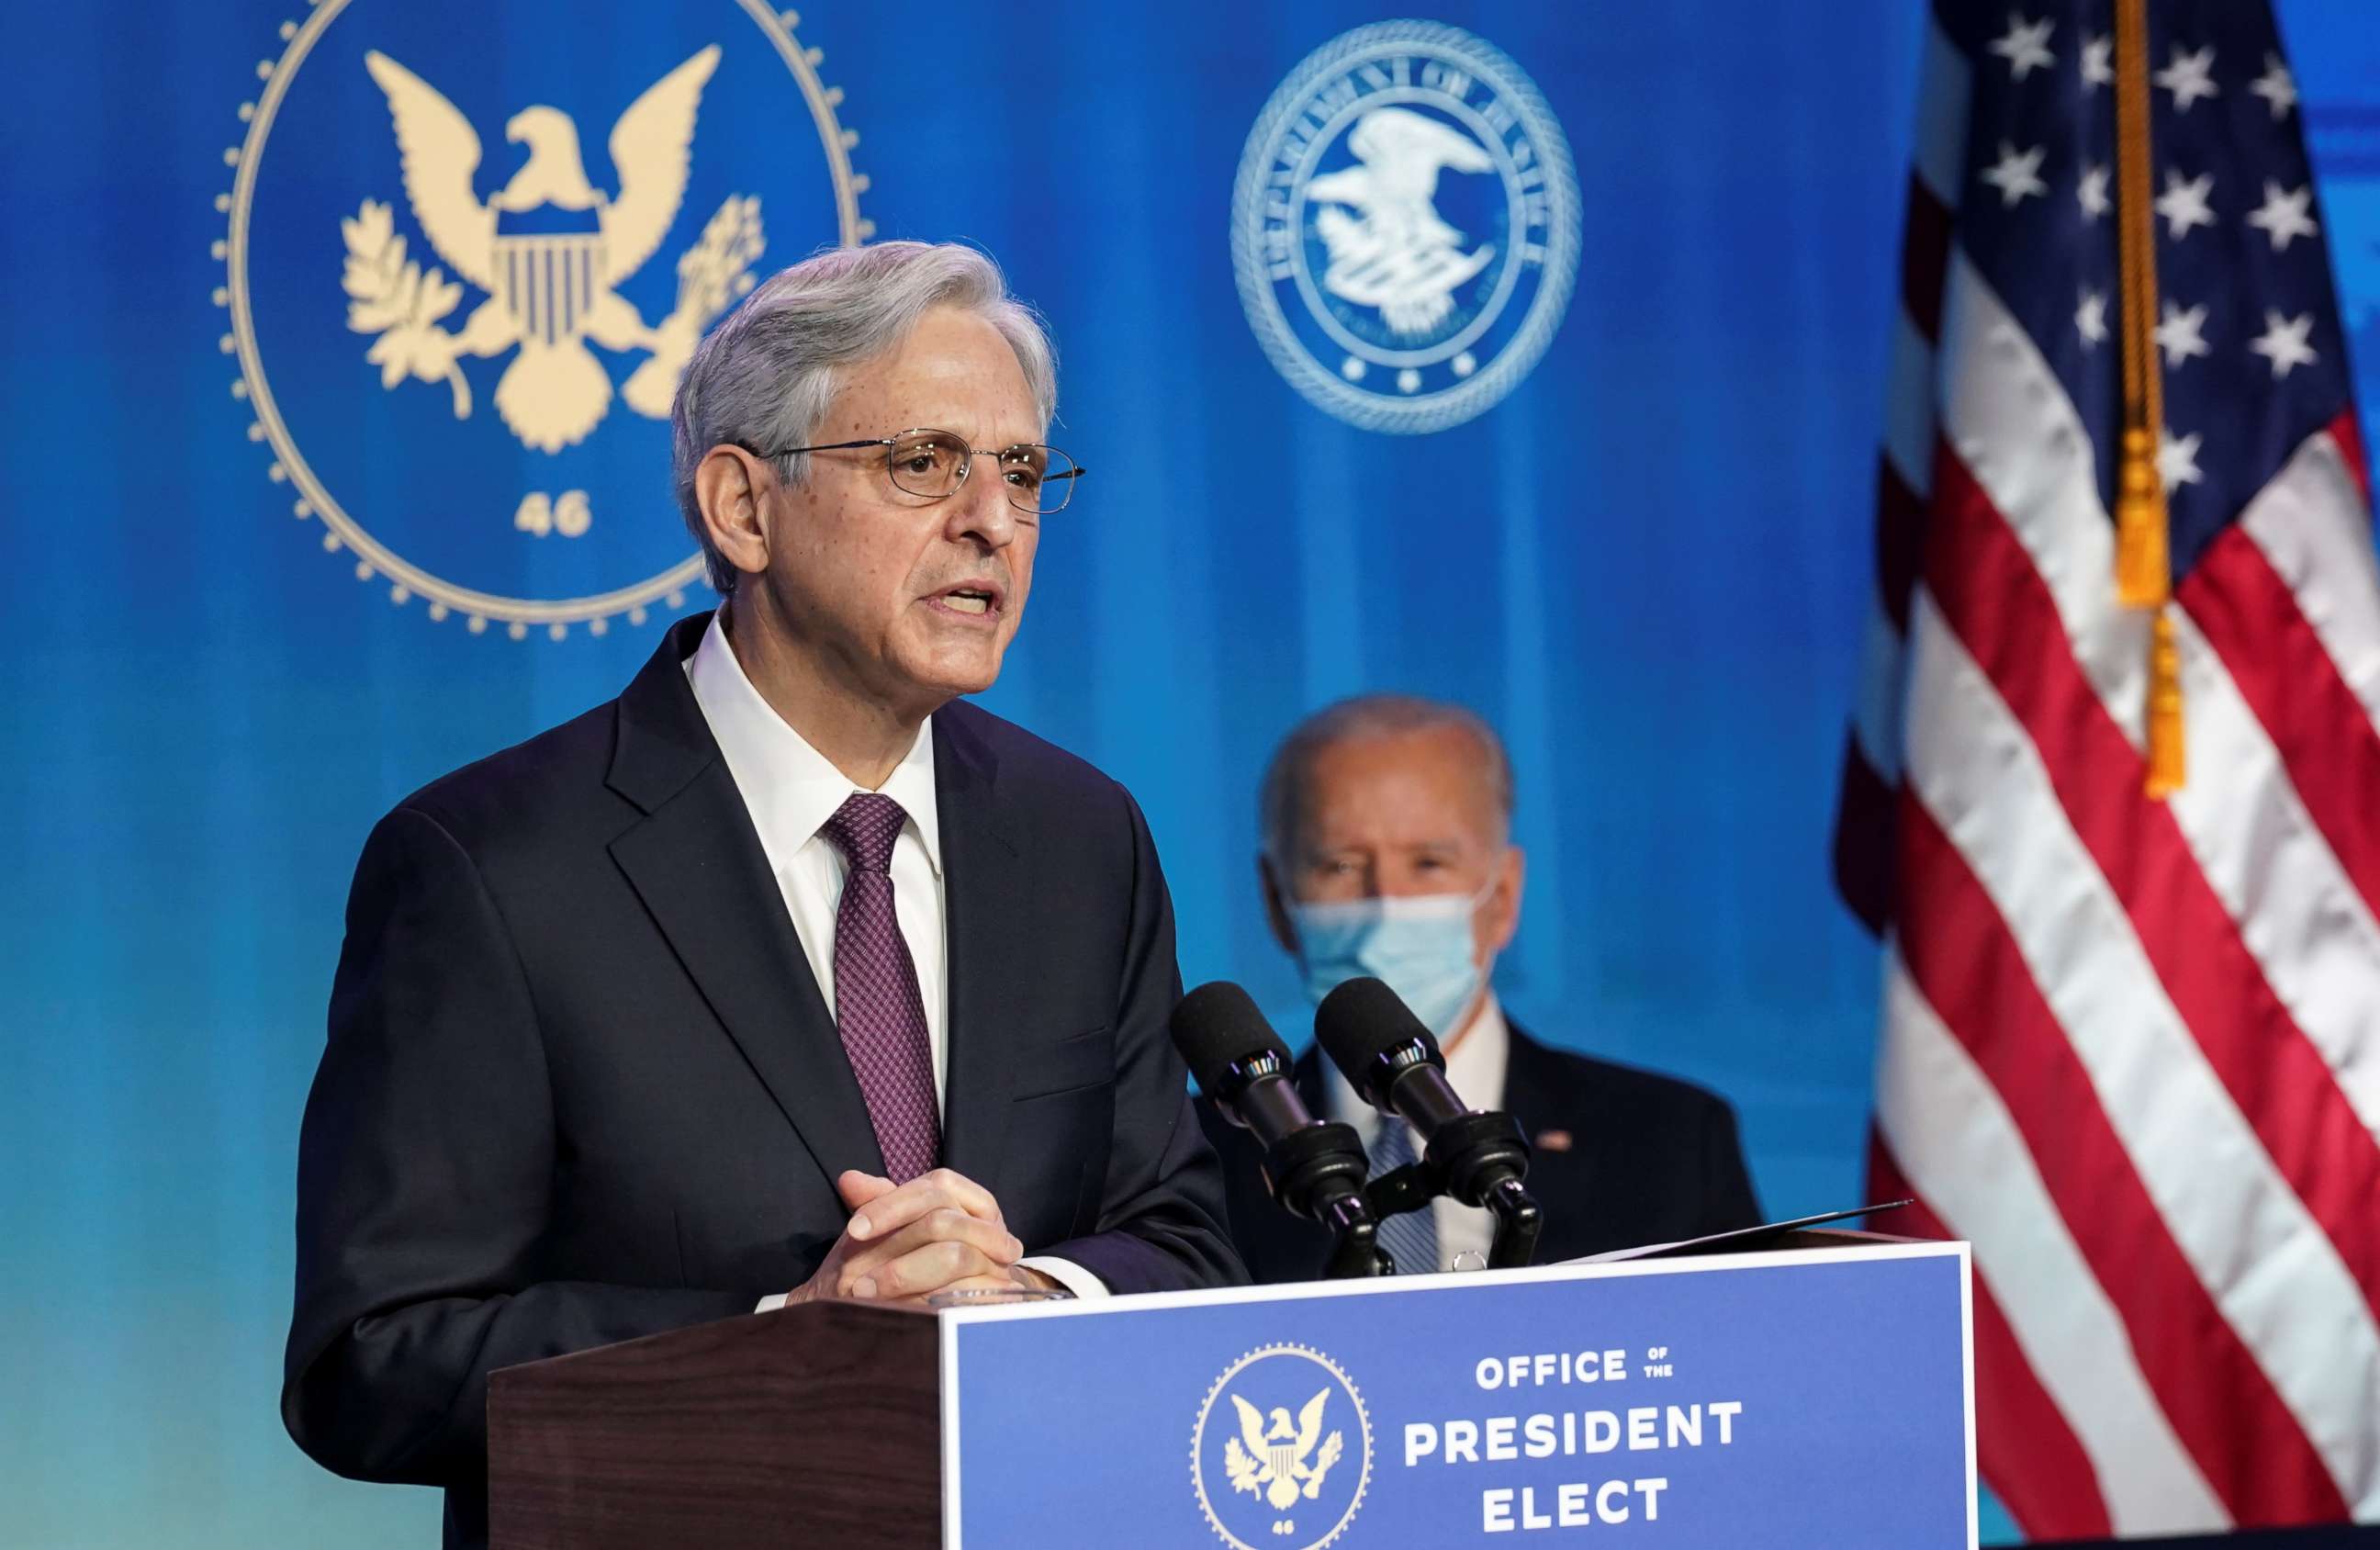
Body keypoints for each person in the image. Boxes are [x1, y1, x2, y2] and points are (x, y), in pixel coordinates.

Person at [283, 241, 1241, 1548]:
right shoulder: (488, 864)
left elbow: (1182, 1239)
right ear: (743, 507)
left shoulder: (1083, 837)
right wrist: (796, 1336)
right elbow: (373, 1360)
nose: (994, 521)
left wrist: (1028, 1295)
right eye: (924, 463)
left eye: (1020, 470)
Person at [1200, 694, 1761, 1281]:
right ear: (1275, 902)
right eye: (1339, 865)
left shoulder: (1669, 1140)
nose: (1386, 905)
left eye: (1429, 863)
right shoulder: (1190, 1161)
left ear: (1504, 896)